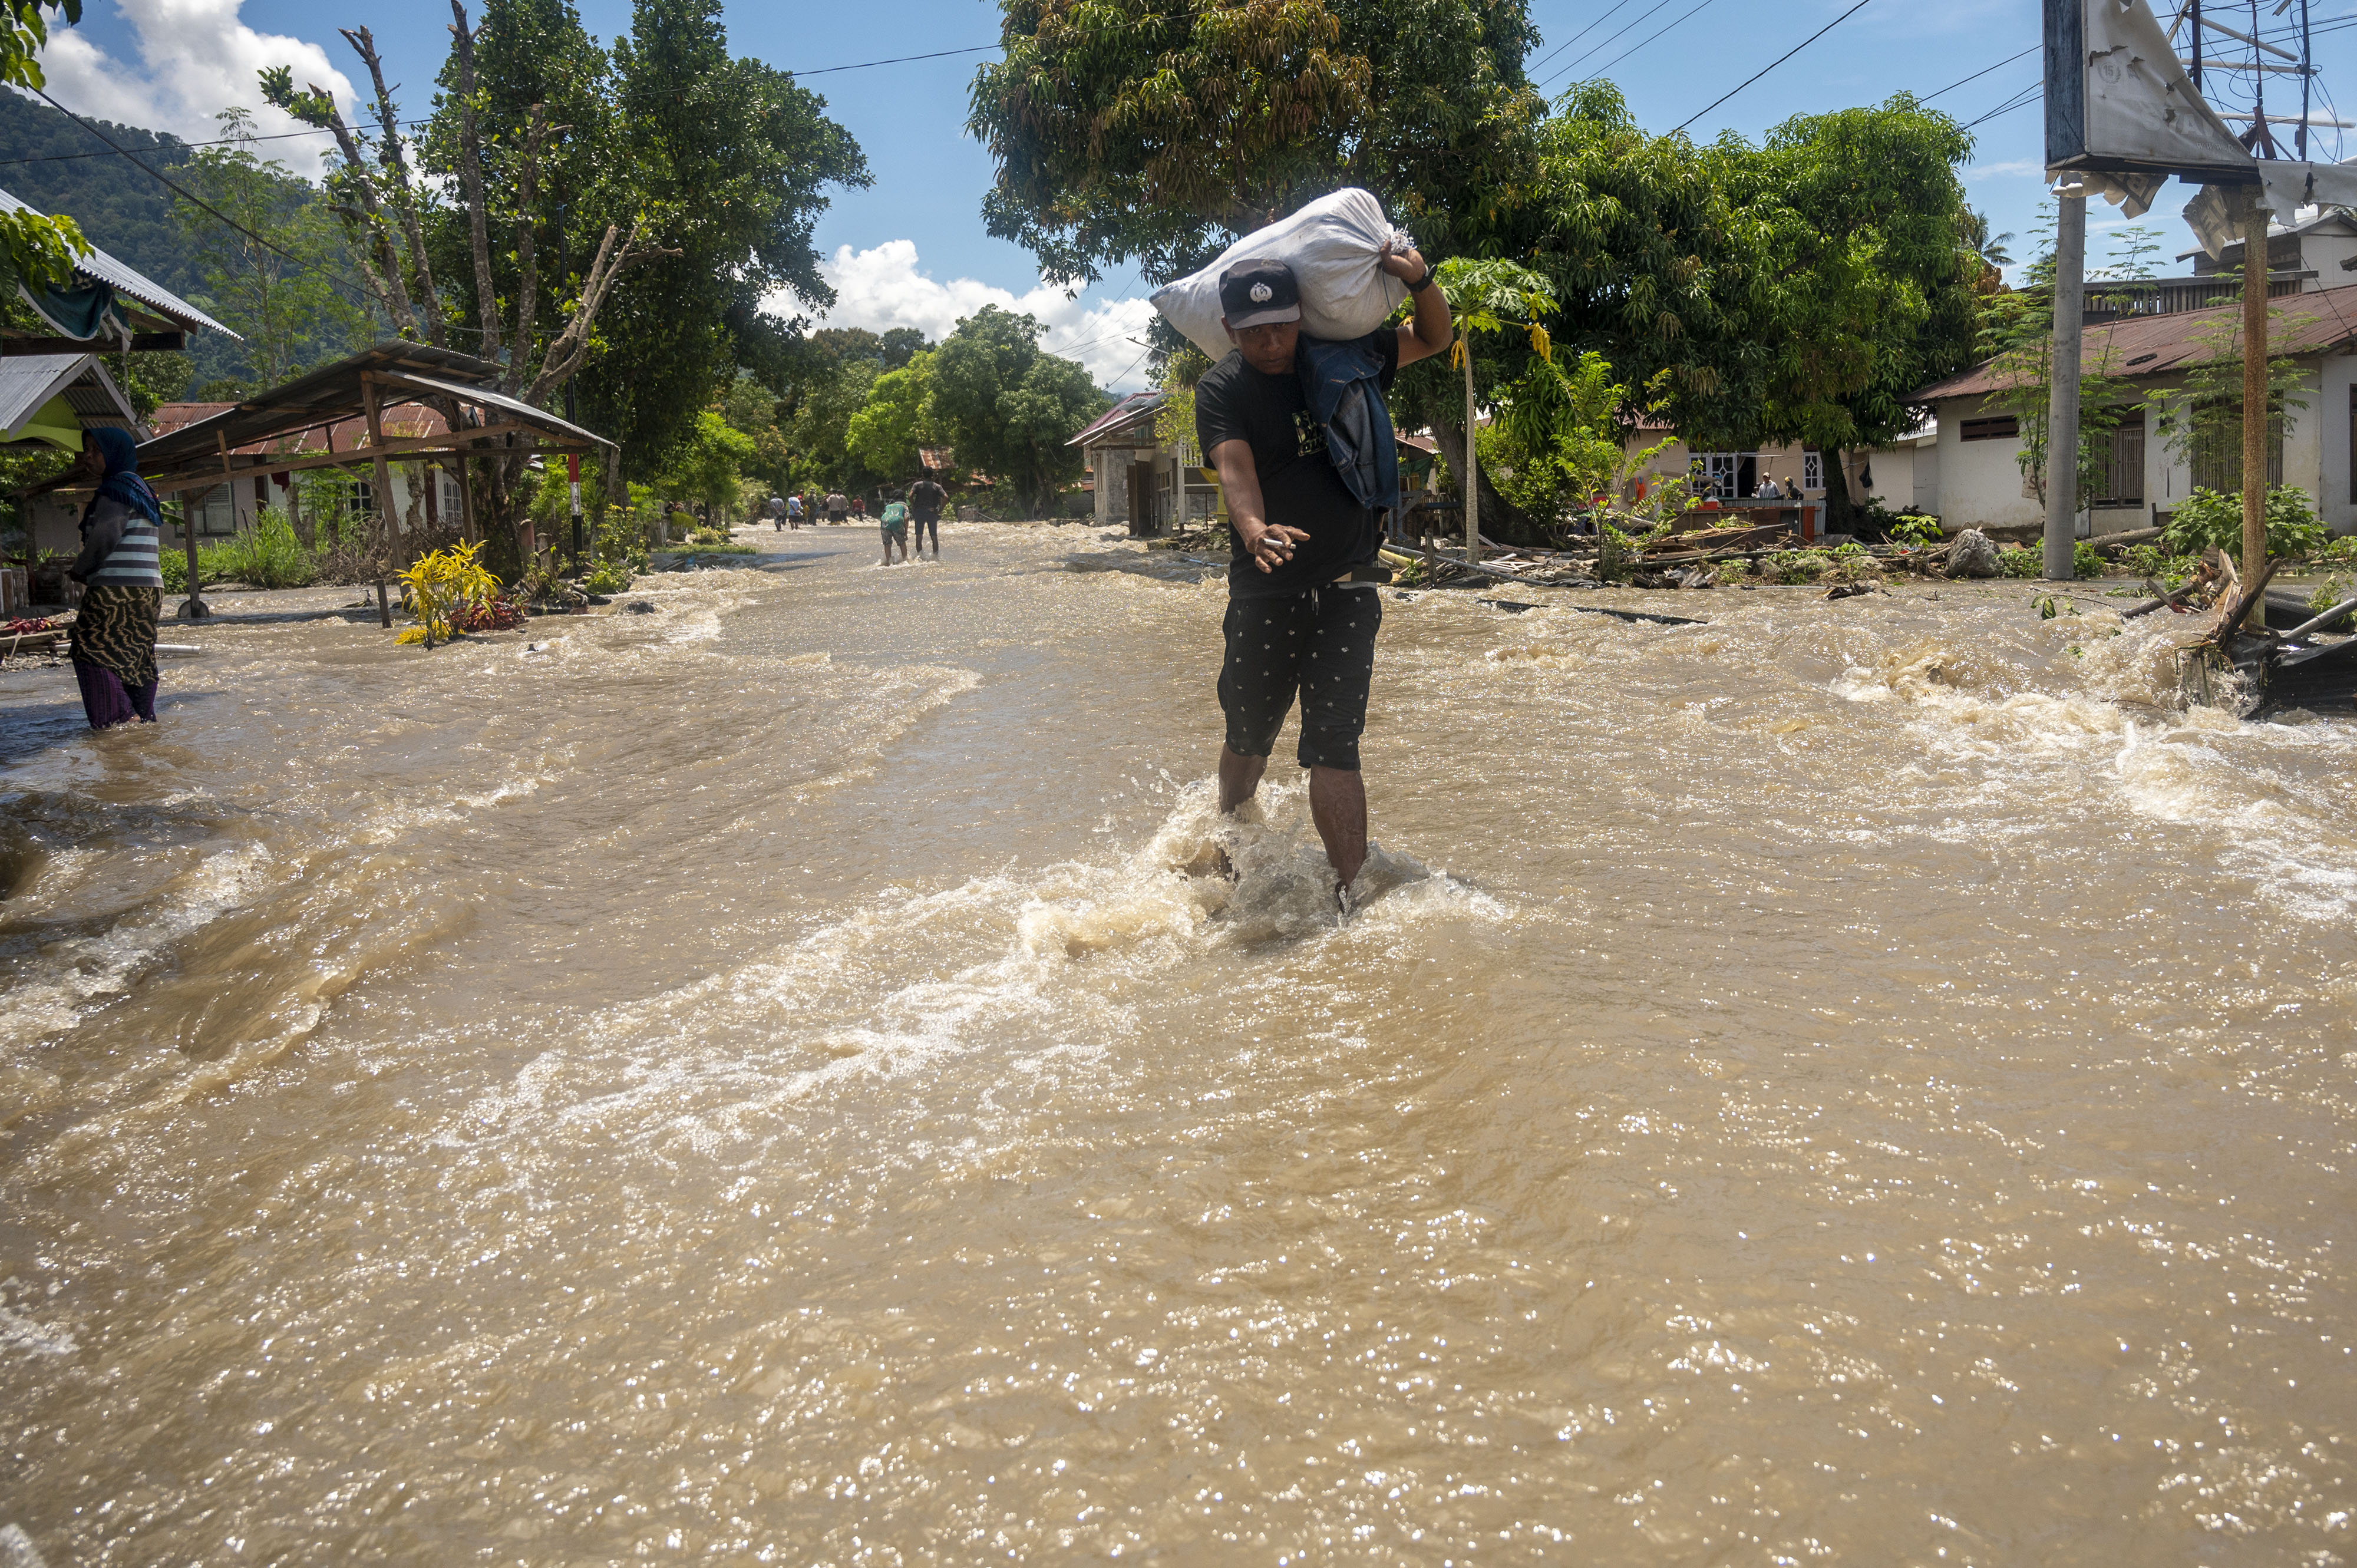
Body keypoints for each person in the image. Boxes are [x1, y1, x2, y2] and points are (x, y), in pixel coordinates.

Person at [1197, 245, 1451, 908]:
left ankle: (1351, 895)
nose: (1270, 340)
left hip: (1351, 582)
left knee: (1336, 742)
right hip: (1266, 587)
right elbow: (1234, 471)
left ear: (1300, 312)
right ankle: (1226, 847)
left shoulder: (1349, 354)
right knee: (1249, 738)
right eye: (1253, 332)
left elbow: (1434, 335)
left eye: (1280, 324)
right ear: (1229, 330)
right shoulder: (1224, 388)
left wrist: (1418, 278)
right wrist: (1253, 531)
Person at [62, 427, 166, 728]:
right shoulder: (140, 489)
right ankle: (142, 719)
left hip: (117, 590)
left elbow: (105, 537)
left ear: (114, 453)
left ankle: (120, 722)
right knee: (134, 655)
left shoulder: (116, 488)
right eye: (87, 449)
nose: (88, 456)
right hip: (148, 592)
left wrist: (81, 569)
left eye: (97, 450)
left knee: (88, 649)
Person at [907, 474, 947, 557]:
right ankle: (935, 557)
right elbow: (946, 497)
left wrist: (913, 505)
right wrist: (941, 509)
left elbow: (910, 496)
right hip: (932, 512)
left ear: (923, 475)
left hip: (920, 512)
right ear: (932, 476)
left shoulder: (917, 485)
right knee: (934, 536)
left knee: (919, 536)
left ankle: (920, 557)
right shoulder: (937, 486)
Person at [879, 491, 910, 565]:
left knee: (887, 543)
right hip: (897, 522)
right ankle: (906, 561)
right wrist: (906, 532)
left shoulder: (889, 505)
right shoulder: (904, 506)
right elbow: (906, 518)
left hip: (884, 522)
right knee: (902, 542)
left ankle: (890, 563)